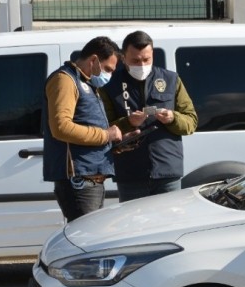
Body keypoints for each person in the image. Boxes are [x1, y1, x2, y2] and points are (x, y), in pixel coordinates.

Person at [101, 30, 198, 202]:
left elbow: (191, 121)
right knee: (133, 226)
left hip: (167, 171)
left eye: (146, 59)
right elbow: (102, 128)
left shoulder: (171, 79)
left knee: (169, 223)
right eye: (135, 60)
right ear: (123, 58)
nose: (142, 64)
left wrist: (172, 118)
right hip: (130, 172)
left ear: (152, 54)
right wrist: (128, 122)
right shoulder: (110, 84)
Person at [43, 36, 125, 222]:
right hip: (80, 181)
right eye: (108, 69)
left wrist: (116, 142)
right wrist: (106, 135)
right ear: (94, 60)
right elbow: (61, 127)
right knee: (86, 241)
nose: (109, 76)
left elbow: (86, 125)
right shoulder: (64, 80)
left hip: (91, 180)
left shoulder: (86, 83)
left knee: (91, 238)